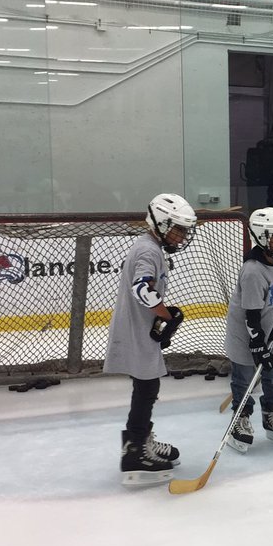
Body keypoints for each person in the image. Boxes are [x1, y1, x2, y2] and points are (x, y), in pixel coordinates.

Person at [104, 193, 195, 487]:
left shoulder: (150, 246)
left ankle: (140, 440)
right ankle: (135, 452)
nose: (181, 237)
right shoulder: (148, 251)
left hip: (140, 331)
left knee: (146, 387)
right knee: (147, 387)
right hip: (137, 332)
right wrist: (166, 315)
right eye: (178, 229)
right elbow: (142, 289)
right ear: (160, 222)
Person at [222, 207, 273, 452]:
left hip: (266, 329)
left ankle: (271, 414)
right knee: (243, 380)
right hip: (245, 333)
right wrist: (257, 344)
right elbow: (250, 315)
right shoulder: (253, 271)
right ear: (262, 238)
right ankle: (240, 419)